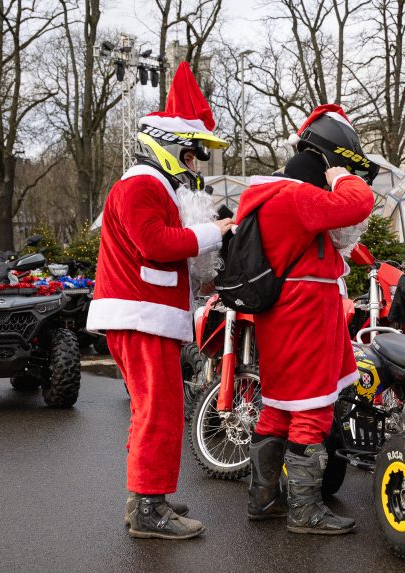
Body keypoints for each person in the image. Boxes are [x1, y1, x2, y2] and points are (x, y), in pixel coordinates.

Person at [87, 62, 234, 540]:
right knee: (160, 411)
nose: (194, 166)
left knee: (153, 410)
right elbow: (156, 243)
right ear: (170, 148)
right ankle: (150, 508)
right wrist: (216, 231)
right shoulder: (141, 185)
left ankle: (147, 498)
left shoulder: (150, 185)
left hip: (146, 315)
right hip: (140, 315)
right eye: (191, 155)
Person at [237, 105, 378, 535]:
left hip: (284, 313)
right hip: (305, 312)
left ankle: (263, 499)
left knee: (279, 407)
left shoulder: (269, 196)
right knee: (313, 410)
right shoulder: (296, 196)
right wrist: (342, 178)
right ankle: (304, 511)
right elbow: (358, 202)